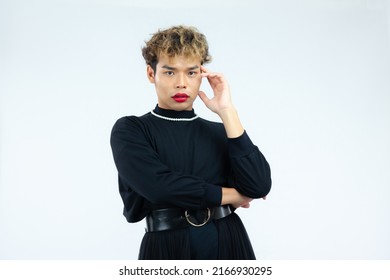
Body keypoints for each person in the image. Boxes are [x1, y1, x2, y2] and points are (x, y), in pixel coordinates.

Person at [110, 25, 271, 260]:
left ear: (201, 75)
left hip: (228, 240)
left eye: (191, 73)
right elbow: (159, 186)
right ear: (151, 74)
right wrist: (233, 196)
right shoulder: (131, 130)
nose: (181, 83)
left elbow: (259, 185)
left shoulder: (220, 131)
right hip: (166, 246)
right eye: (170, 72)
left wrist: (227, 112)